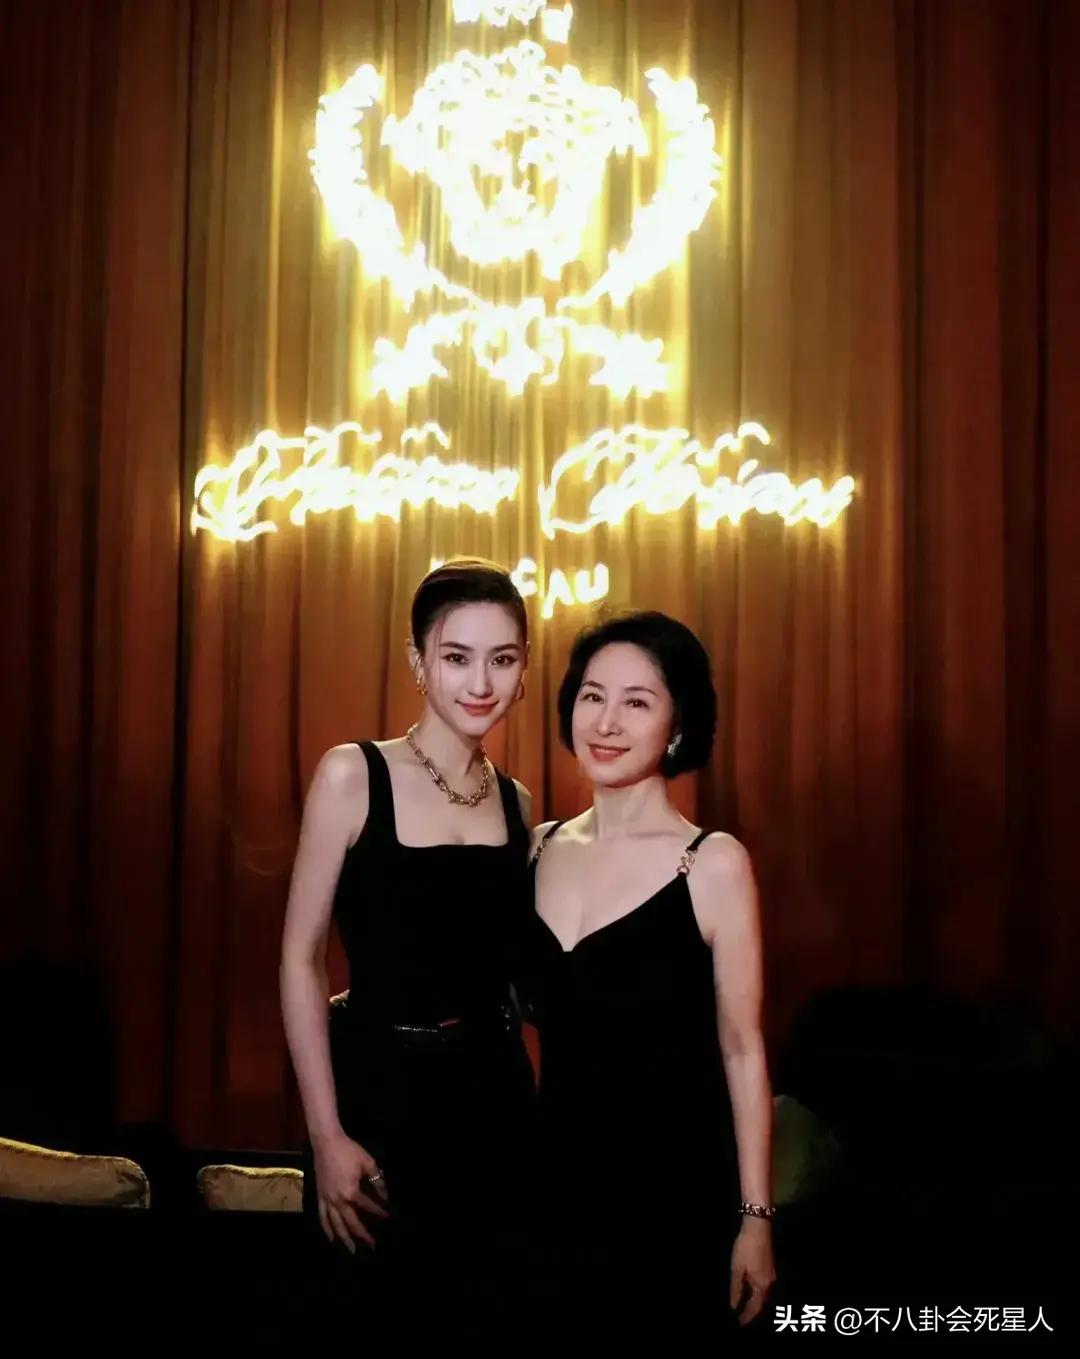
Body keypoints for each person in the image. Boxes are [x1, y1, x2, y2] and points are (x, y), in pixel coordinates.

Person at [279, 559, 537, 1335]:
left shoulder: (519, 803)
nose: (481, 682)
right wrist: (326, 1134)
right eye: (457, 656)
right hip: (377, 1092)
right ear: (418, 659)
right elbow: (299, 958)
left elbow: (517, 974)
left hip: (495, 1099)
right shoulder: (352, 773)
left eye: (502, 658)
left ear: (524, 666)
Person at [524, 611, 776, 1339]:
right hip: (552, 1192)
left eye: (637, 701)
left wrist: (755, 1218)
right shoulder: (536, 848)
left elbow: (743, 1050)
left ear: (677, 725)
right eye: (592, 695)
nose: (606, 722)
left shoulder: (713, 861)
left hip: (674, 1197)